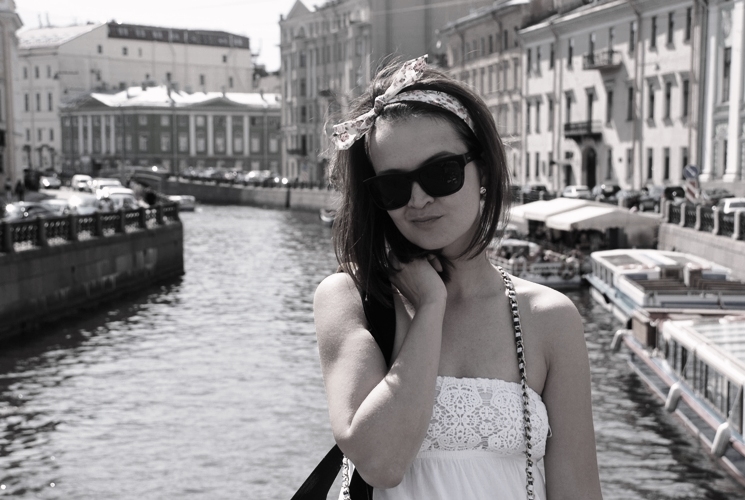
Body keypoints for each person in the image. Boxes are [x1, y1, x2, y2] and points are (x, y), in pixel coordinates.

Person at [313, 56, 602, 499]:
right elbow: (381, 461)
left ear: (482, 169)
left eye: (440, 174)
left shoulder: (550, 318)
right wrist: (430, 308)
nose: (418, 199)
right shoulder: (352, 300)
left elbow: (577, 492)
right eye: (393, 186)